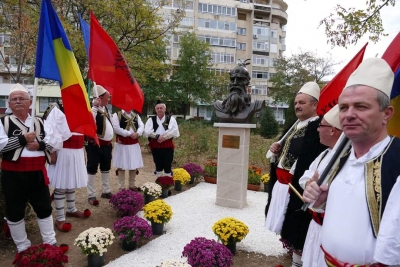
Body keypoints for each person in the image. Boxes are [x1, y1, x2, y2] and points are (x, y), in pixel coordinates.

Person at [303, 58, 400, 266]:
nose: (349, 115)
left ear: (387, 114)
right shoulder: (338, 159)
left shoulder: (397, 159)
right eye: (344, 107)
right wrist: (322, 200)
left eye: (361, 106)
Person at [264, 81, 327, 267]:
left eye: (302, 102)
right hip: (282, 184)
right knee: (286, 224)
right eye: (296, 103)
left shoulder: (317, 128)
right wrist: (276, 150)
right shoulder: (294, 125)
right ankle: (292, 254)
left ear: (314, 104)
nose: (297, 106)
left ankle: (298, 260)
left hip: (297, 188)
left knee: (297, 226)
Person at [0, 84, 57, 252]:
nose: (18, 101)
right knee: (15, 210)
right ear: (9, 104)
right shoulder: (3, 122)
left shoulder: (40, 121)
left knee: (44, 206)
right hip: (13, 174)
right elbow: (0, 145)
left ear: (30, 102)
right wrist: (22, 140)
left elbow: (55, 142)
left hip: (37, 173)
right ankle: (23, 246)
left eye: (21, 98)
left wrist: (39, 145)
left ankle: (50, 241)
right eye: (14, 99)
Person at [297, 104, 342, 267]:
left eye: (320, 126)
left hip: (332, 229)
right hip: (315, 225)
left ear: (332, 130)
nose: (317, 130)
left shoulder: (348, 155)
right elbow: (305, 177)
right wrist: (309, 184)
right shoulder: (325, 153)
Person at [43, 102, 91, 233]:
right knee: (61, 186)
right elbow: (49, 132)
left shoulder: (80, 108)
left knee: (71, 184)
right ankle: (60, 218)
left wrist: (83, 152)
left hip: (76, 151)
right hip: (63, 151)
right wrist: (52, 151)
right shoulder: (56, 109)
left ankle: (71, 209)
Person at [86, 84, 114, 206]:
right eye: (107, 97)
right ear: (100, 97)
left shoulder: (105, 109)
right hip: (95, 144)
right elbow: (89, 122)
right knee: (92, 168)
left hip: (107, 145)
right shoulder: (92, 108)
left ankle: (106, 191)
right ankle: (91, 194)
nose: (109, 99)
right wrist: (94, 107)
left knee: (106, 167)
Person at [144, 100, 179, 177]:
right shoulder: (151, 120)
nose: (159, 109)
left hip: (168, 145)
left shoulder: (170, 119)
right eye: (158, 108)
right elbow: (147, 131)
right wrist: (157, 136)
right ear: (155, 110)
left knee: (167, 165)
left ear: (165, 109)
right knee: (158, 165)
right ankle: (159, 184)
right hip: (156, 146)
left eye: (161, 108)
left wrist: (164, 137)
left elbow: (174, 130)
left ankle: (167, 186)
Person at [111, 109, 144, 191]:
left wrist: (138, 133)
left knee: (133, 164)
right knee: (121, 165)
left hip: (133, 143)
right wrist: (129, 134)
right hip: (122, 143)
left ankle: (132, 185)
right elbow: (116, 128)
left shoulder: (136, 116)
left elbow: (141, 126)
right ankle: (121, 187)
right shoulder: (117, 115)